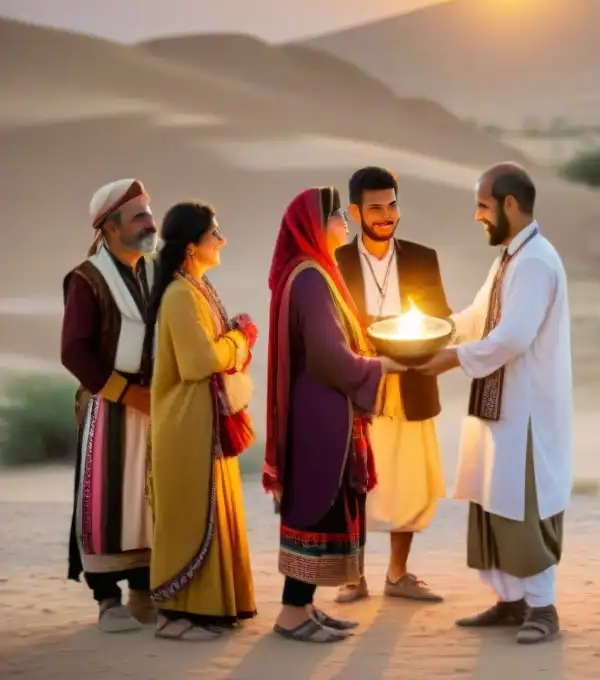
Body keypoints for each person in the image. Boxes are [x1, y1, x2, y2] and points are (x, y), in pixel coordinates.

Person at [419, 163, 573, 645]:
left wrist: (449, 359)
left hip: (526, 411)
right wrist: (430, 330)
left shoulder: (535, 262)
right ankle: (510, 602)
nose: (477, 215)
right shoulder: (510, 257)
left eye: (483, 205)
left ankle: (542, 610)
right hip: (498, 405)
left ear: (510, 204)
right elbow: (477, 317)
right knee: (493, 500)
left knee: (524, 505)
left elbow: (512, 337)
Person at [263, 187, 407, 643]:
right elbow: (328, 355)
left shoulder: (316, 273)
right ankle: (291, 614)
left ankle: (304, 606)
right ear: (313, 225)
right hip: (319, 416)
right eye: (337, 215)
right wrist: (380, 366)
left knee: (326, 505)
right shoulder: (309, 278)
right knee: (315, 507)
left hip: (325, 411)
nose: (346, 222)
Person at [334, 167, 450, 604]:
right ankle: (352, 576)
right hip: (357, 392)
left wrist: (423, 342)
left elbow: (442, 316)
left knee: (409, 482)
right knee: (355, 483)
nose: (386, 215)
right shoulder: (336, 263)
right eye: (376, 207)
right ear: (356, 211)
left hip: (413, 388)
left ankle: (398, 574)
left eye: (392, 204)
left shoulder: (423, 257)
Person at [146, 202, 260, 640]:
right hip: (185, 428)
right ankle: (174, 617)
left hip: (205, 425)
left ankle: (206, 611)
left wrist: (231, 340)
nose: (222, 240)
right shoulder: (179, 294)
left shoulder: (197, 287)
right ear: (193, 247)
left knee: (212, 514)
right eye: (215, 234)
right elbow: (199, 362)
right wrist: (239, 340)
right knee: (189, 520)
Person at [60, 179, 158, 632]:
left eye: (148, 212)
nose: (150, 221)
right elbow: (74, 352)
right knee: (107, 499)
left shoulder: (157, 271)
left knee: (146, 499)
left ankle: (144, 590)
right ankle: (107, 600)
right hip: (109, 407)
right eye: (139, 215)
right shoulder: (86, 279)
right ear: (111, 228)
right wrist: (128, 393)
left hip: (154, 404)